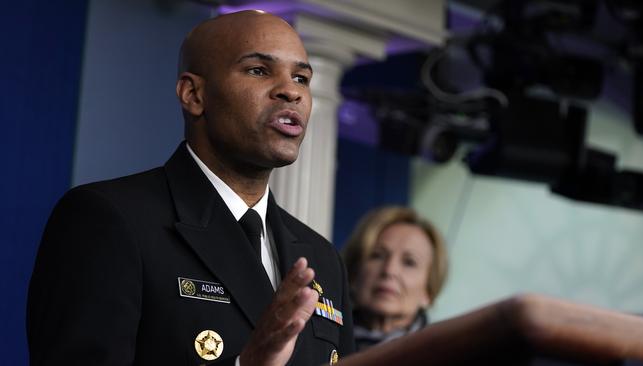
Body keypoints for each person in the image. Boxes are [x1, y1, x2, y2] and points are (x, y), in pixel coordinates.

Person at [27, 10, 354, 366]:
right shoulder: (109, 220)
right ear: (193, 94)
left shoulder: (322, 259)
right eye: (258, 70)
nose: (290, 91)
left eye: (302, 78)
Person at [342, 206, 448, 351]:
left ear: (428, 292)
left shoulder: (447, 354)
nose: (389, 270)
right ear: (354, 272)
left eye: (409, 262)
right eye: (377, 255)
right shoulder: (321, 343)